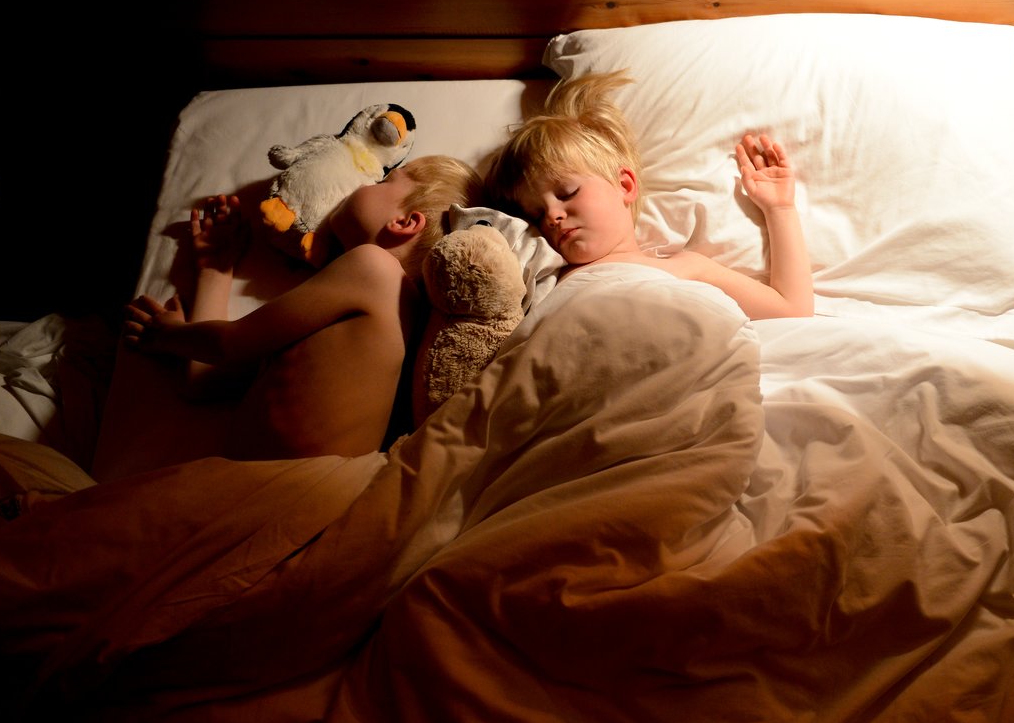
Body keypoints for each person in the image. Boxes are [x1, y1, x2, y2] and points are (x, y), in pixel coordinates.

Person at [122, 155, 483, 460]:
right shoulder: (375, 306)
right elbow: (203, 380)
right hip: (268, 487)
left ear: (405, 222)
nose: (365, 183)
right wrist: (215, 268)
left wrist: (166, 333)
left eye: (386, 179)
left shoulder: (374, 269)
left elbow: (227, 344)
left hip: (284, 488)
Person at [485, 71, 813, 320]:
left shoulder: (685, 267)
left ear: (626, 185)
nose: (553, 217)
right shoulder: (541, 272)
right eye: (537, 214)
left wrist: (780, 209)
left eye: (567, 192)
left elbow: (792, 310)